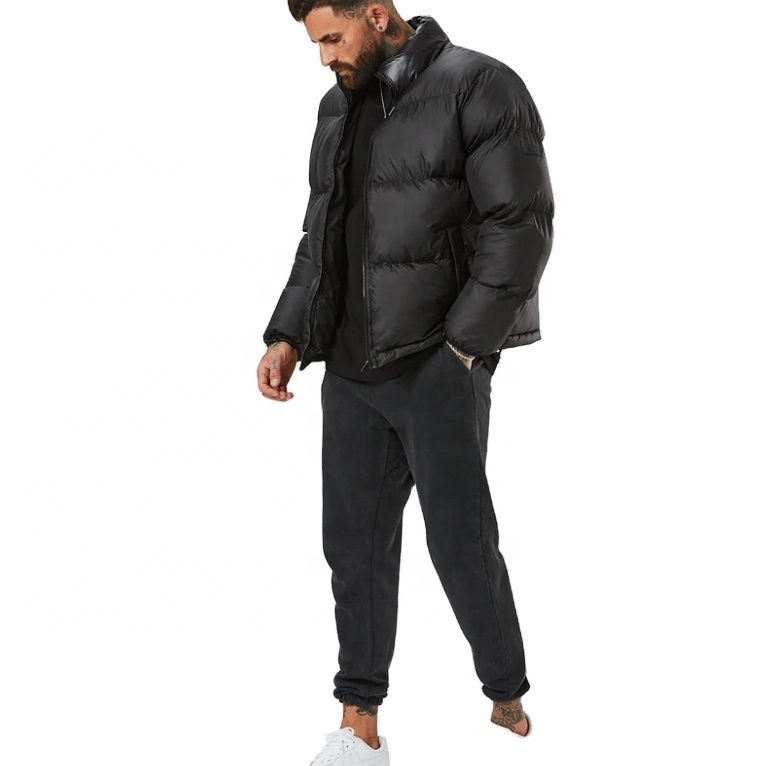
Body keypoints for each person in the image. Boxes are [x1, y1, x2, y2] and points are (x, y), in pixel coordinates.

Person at [258, 3, 554, 763]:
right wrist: (289, 333)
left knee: (460, 544)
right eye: (316, 43)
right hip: (351, 368)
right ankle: (359, 728)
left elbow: (521, 224)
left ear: (377, 14)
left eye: (332, 38)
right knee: (352, 551)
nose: (324, 57)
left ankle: (505, 687)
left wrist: (463, 349)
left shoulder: (479, 85)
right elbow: (320, 233)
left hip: (436, 363)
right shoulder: (337, 108)